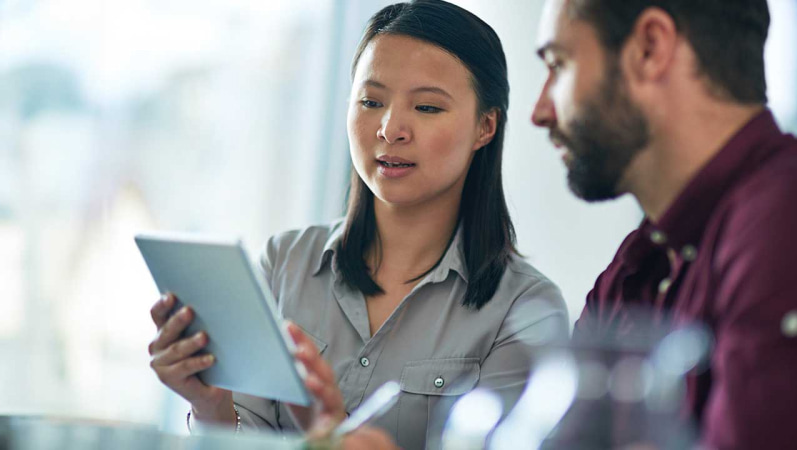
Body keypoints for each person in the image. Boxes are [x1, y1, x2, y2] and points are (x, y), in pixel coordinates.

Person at [147, 1, 569, 449]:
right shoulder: (285, 263)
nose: (390, 129)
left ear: (485, 127)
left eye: (426, 107)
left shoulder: (525, 311)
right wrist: (212, 406)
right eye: (371, 101)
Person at [531, 0, 797, 448]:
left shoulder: (785, 224)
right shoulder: (633, 267)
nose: (540, 111)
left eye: (559, 64)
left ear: (650, 49)